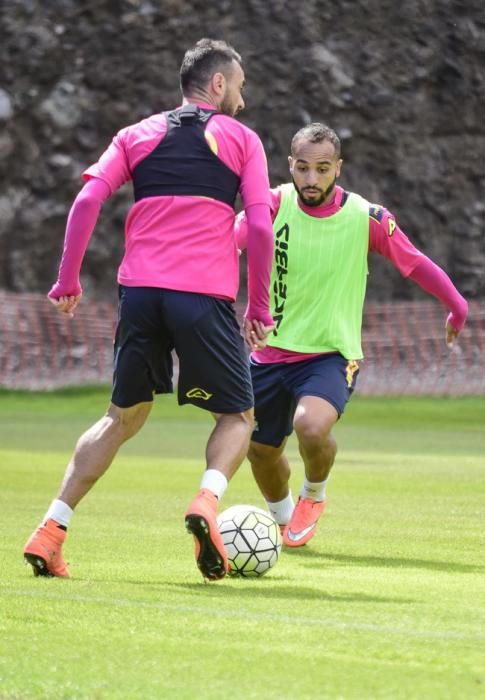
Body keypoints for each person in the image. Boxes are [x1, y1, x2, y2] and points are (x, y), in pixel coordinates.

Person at [23, 38, 275, 582]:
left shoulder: (135, 135)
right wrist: (259, 308)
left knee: (121, 418)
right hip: (201, 297)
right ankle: (206, 502)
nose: (243, 99)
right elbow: (258, 225)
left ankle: (50, 530)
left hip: (139, 295)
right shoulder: (242, 140)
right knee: (236, 416)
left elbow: (88, 199)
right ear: (217, 85)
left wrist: (67, 279)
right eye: (240, 86)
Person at [235, 122, 468, 548]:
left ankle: (313, 495)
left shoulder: (367, 217)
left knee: (310, 427)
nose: (311, 179)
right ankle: (284, 519)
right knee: (261, 450)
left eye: (322, 169)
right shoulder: (270, 204)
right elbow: (228, 240)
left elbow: (415, 264)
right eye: (302, 168)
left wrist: (457, 305)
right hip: (268, 354)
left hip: (331, 355)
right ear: (290, 165)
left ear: (338, 168)